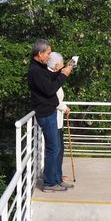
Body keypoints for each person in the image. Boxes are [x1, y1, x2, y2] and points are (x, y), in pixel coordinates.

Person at [29, 39, 74, 192]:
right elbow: (49, 90)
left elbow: (50, 80)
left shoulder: (39, 68)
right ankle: (49, 183)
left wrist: (63, 71)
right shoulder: (35, 71)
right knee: (53, 148)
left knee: (56, 148)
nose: (49, 56)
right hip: (46, 113)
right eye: (48, 53)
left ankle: (56, 179)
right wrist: (64, 76)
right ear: (40, 53)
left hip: (49, 112)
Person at [47, 52, 71, 129]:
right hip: (53, 119)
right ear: (57, 66)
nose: (63, 66)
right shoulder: (50, 77)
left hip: (55, 119)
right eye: (62, 63)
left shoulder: (50, 74)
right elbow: (53, 98)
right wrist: (65, 108)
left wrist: (69, 66)